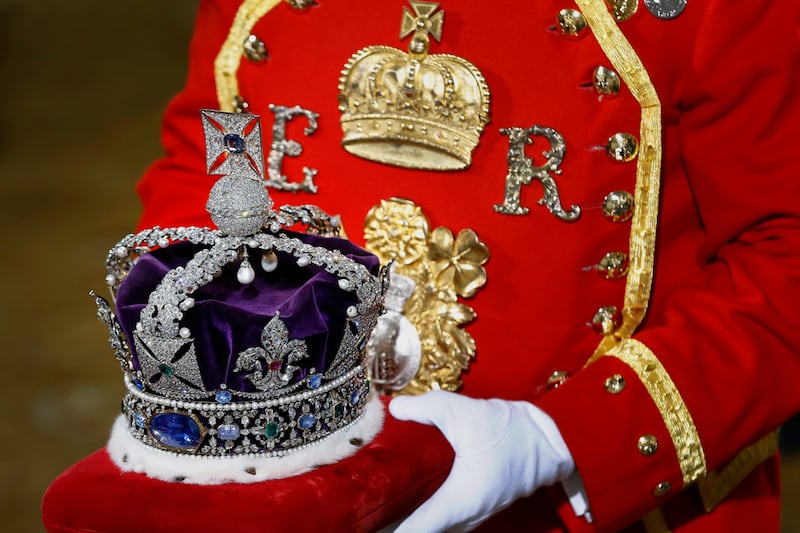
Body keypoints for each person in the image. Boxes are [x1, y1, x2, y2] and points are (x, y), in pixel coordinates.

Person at [45, 1, 800, 532]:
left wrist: (557, 437)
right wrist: (190, 350)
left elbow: (784, 261)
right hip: (303, 492)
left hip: (606, 507)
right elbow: (213, 158)